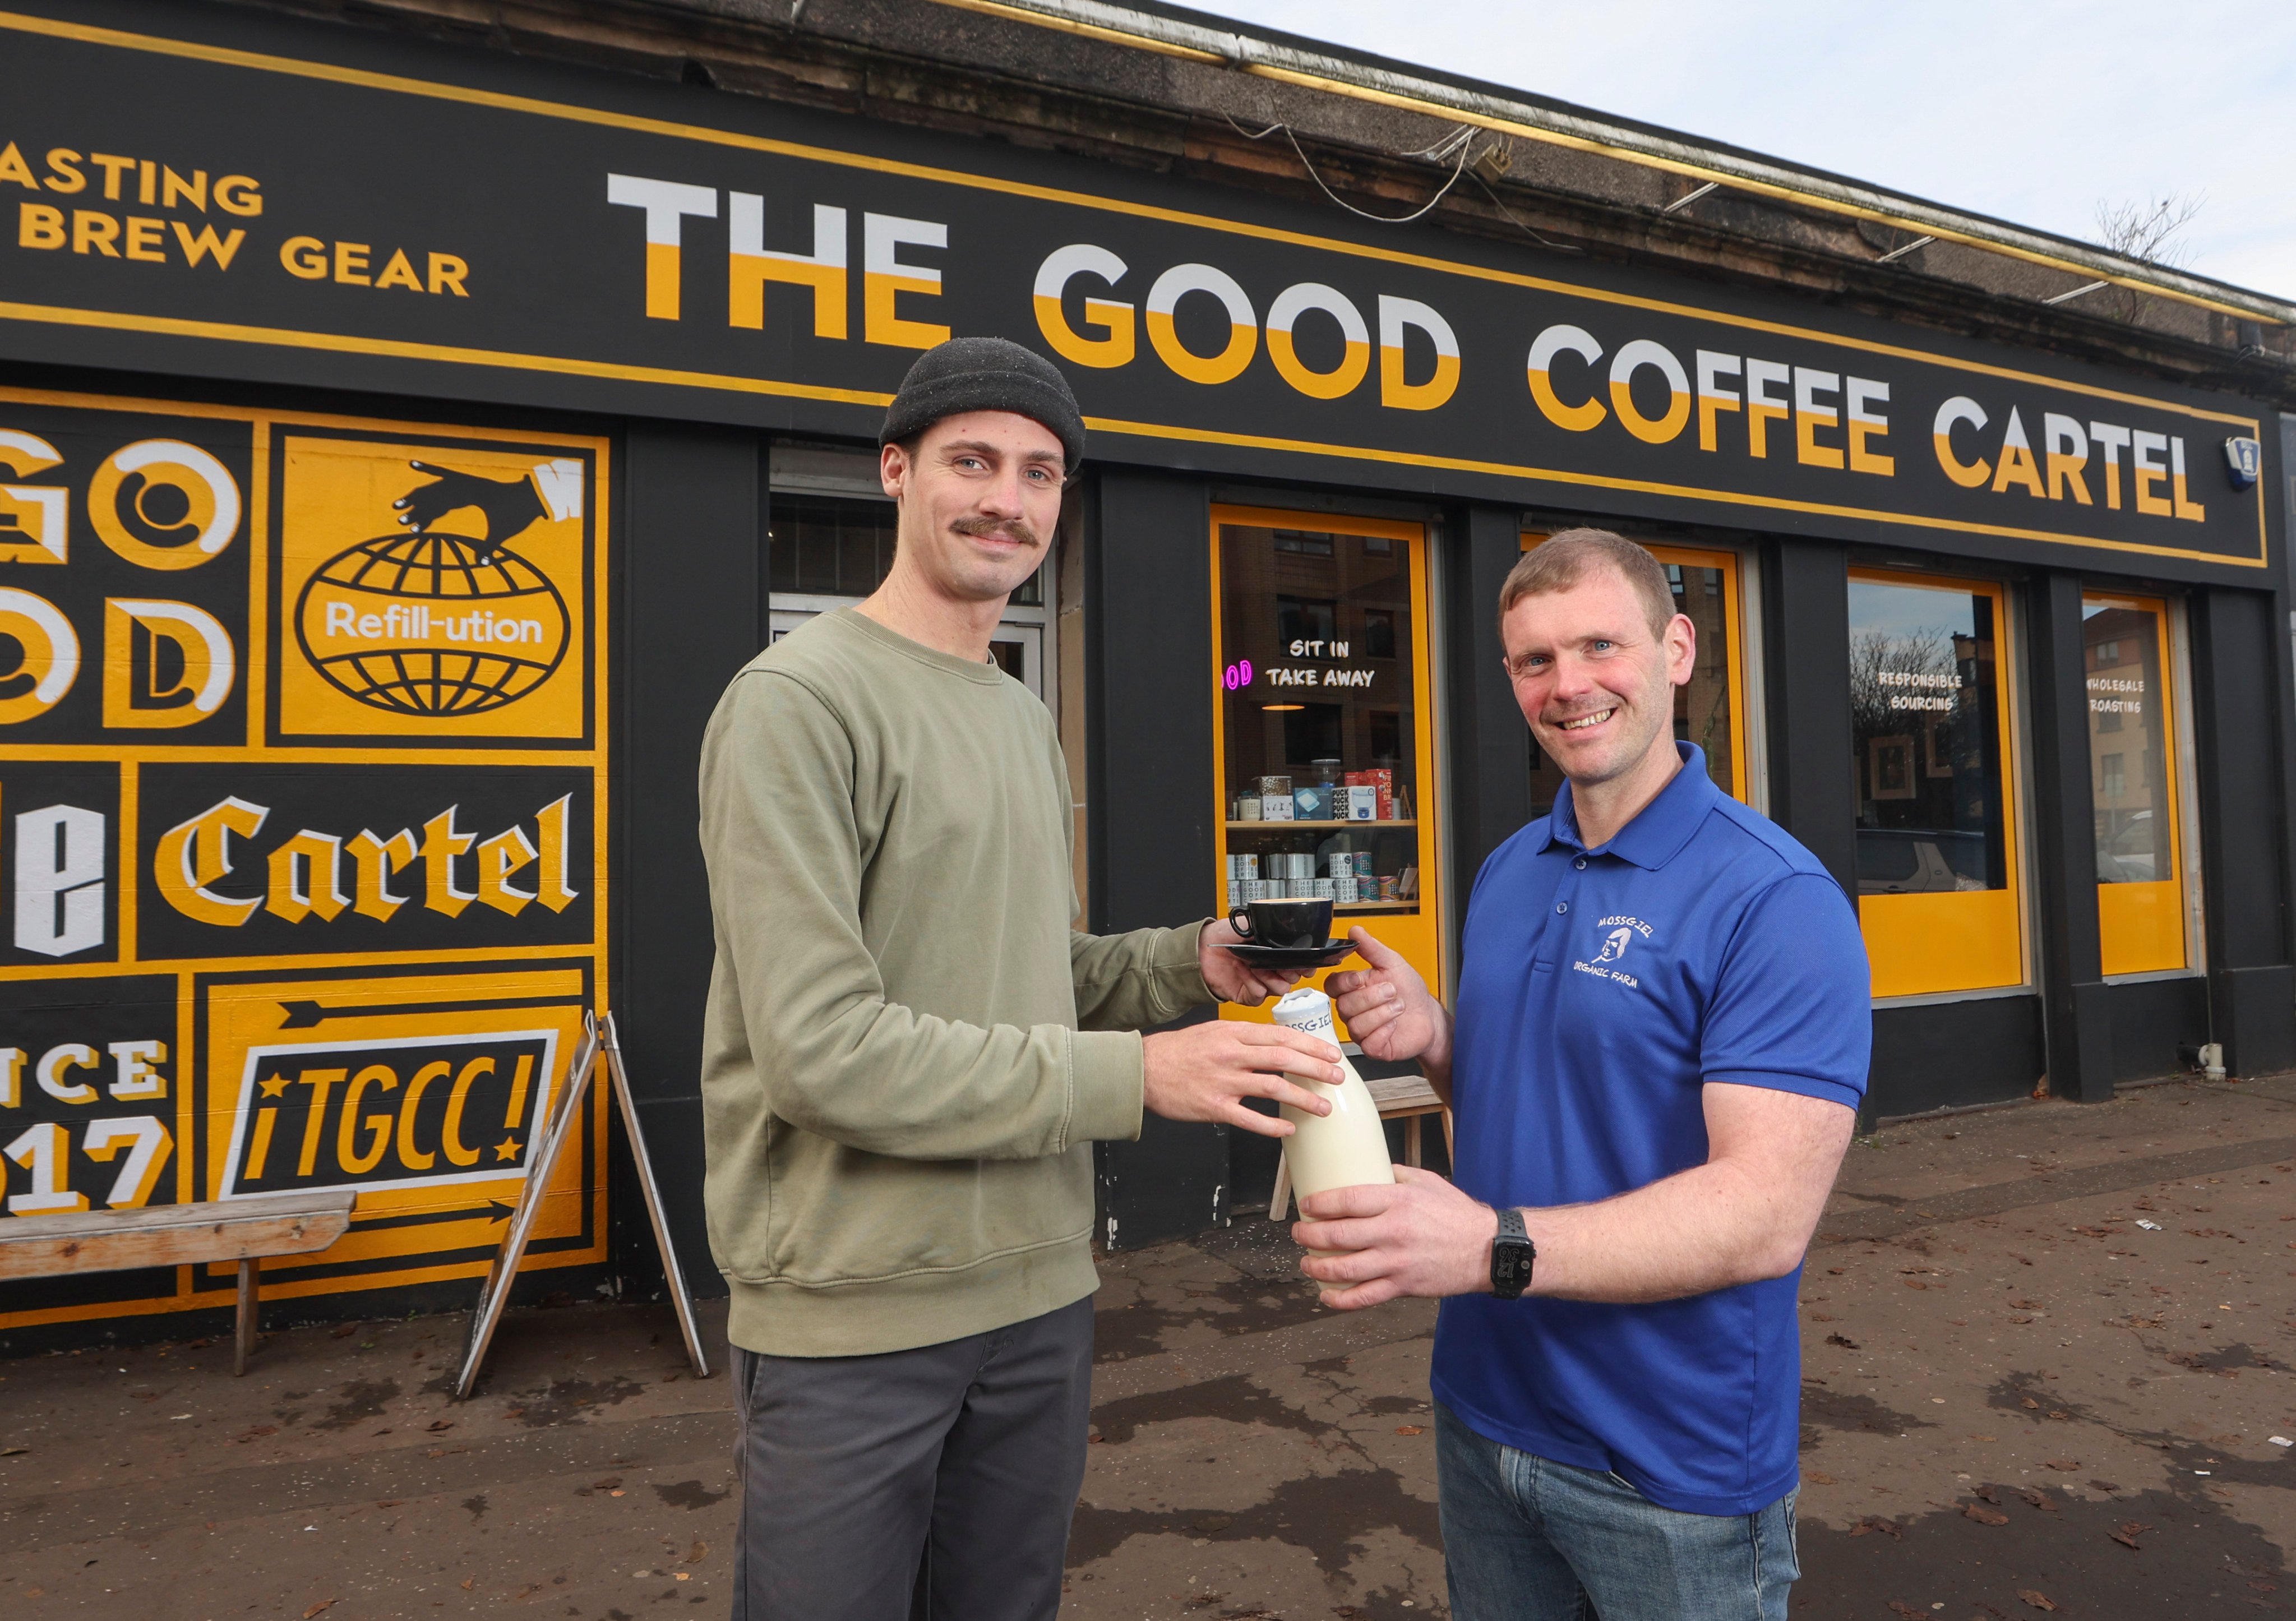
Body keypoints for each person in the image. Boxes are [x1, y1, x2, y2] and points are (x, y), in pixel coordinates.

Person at [695, 335, 1342, 1621]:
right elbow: (822, 1048)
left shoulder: (1012, 713)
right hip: (855, 1308)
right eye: (971, 461)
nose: (1008, 498)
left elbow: (1031, 976)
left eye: (1039, 472)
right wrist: (1142, 1074)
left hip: (1039, 1290)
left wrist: (1184, 967)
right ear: (895, 472)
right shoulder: (796, 704)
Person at [1304, 529, 1870, 1620]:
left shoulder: (1774, 903)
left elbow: (1761, 1215)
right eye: (1532, 661)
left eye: (1599, 645)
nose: (1567, 686)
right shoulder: (1509, 870)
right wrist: (1431, 1034)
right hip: (1485, 1416)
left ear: (1675, 650)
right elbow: (1527, 1103)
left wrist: (1487, 1246)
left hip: (1667, 1468)